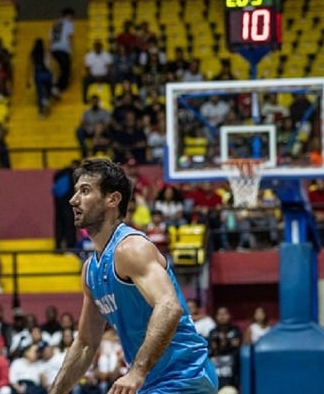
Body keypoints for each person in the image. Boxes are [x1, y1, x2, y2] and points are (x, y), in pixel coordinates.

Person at [49, 158, 217, 394]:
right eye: (76, 191)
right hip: (152, 384)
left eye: (85, 191)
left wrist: (136, 371)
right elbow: (86, 343)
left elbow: (169, 307)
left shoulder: (131, 248)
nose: (73, 199)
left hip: (185, 377)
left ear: (113, 199)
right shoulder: (90, 271)